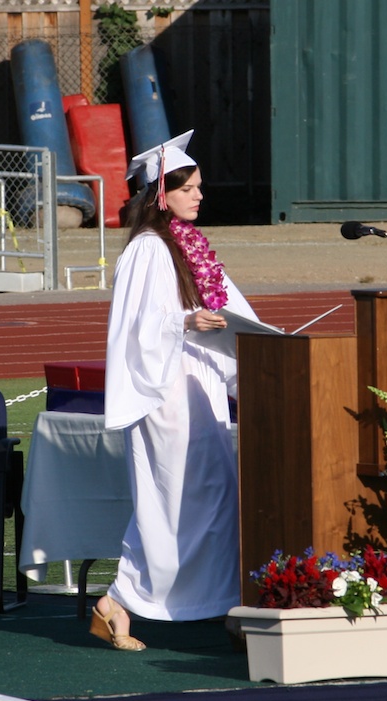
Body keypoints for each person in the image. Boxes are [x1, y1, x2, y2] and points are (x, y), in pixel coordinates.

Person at [90, 130, 258, 651]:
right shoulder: (147, 250)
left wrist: (266, 348)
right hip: (165, 395)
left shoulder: (191, 246)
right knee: (176, 504)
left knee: (212, 502)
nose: (200, 196)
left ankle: (220, 604)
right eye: (190, 188)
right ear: (162, 194)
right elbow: (138, 327)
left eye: (200, 187)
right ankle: (120, 600)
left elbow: (234, 311)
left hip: (199, 390)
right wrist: (185, 321)